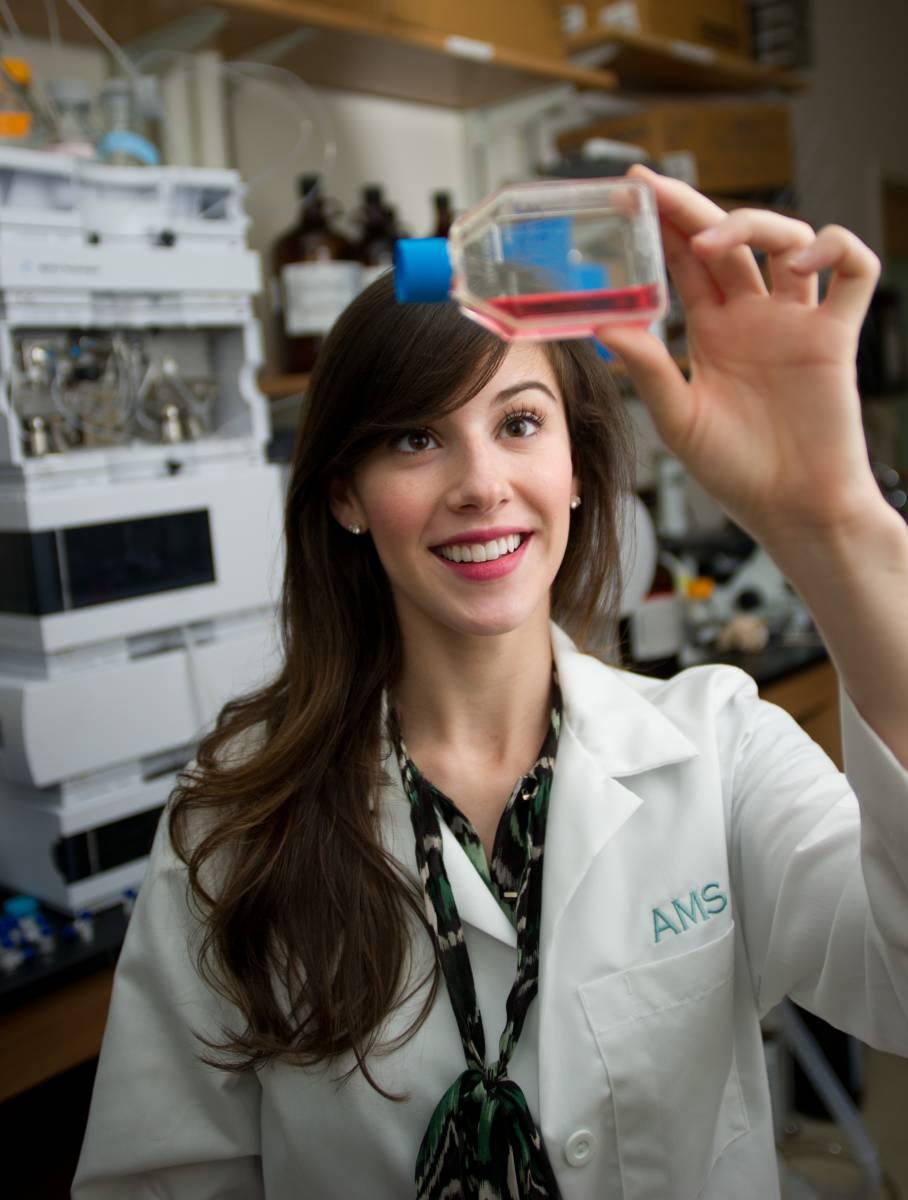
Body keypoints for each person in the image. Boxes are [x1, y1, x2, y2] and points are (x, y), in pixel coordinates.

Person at [73, 166, 908, 1200]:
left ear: (572, 464)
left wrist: (831, 523)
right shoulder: (233, 819)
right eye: (416, 438)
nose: (479, 485)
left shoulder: (718, 747)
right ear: (345, 494)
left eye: (518, 423)